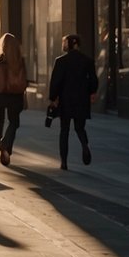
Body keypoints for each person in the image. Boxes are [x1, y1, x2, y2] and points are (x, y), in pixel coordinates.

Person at [48, 34, 98, 171]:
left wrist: (53, 98)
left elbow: (55, 82)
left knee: (64, 130)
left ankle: (64, 162)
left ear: (72, 44)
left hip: (66, 101)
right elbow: (93, 80)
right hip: (82, 100)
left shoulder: (61, 61)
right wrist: (92, 92)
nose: (63, 45)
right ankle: (85, 145)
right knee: (80, 128)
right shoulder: (87, 61)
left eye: (65, 43)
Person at [0, 32, 28, 166]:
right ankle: (6, 145)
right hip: (16, 94)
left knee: (3, 119)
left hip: (3, 95)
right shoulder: (20, 59)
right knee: (14, 122)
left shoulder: (1, 59)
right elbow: (24, 77)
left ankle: (4, 144)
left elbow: (0, 81)